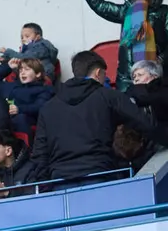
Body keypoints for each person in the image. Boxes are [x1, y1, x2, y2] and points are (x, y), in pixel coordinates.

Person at [35, 51, 166, 182]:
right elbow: (146, 124)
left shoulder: (47, 108)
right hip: (100, 176)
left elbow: (40, 154)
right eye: (104, 74)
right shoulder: (109, 97)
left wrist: (45, 186)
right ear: (98, 73)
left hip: (59, 180)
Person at [76, 0, 167, 91]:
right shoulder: (127, 10)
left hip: (155, 72)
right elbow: (100, 6)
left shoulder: (164, 12)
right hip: (127, 75)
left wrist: (161, 59)